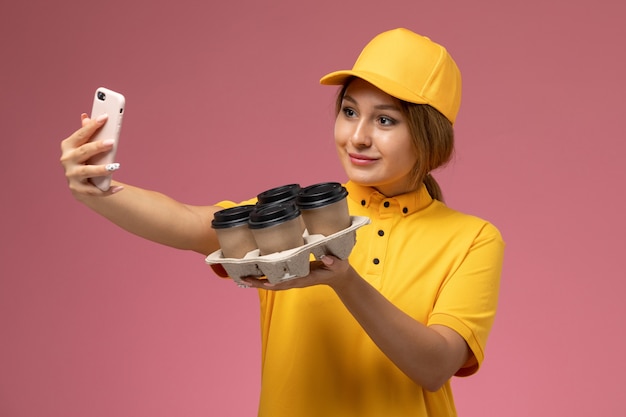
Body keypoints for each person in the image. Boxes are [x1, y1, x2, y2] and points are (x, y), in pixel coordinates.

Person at [60, 28, 504, 417]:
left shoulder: (471, 239)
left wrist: (343, 280)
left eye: (384, 120)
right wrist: (99, 190)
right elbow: (188, 223)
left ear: (432, 139)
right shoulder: (296, 216)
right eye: (349, 112)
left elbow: (434, 366)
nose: (358, 136)